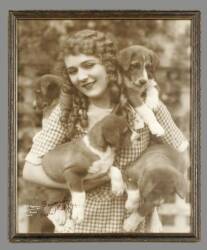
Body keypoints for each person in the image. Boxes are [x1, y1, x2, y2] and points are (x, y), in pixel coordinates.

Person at [23, 29, 189, 233]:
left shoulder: (148, 108)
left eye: (89, 65)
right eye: (73, 71)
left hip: (131, 230)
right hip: (78, 229)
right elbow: (30, 170)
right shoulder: (68, 111)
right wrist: (85, 182)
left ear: (109, 66)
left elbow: (182, 157)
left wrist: (145, 185)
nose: (81, 76)